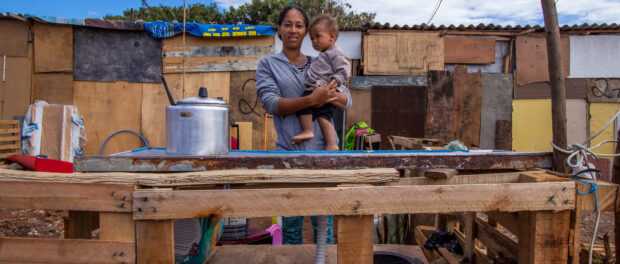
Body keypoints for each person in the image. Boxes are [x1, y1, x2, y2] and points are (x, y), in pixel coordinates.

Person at [255, 5, 352, 244]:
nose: (293, 30)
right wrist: (311, 100)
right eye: (287, 24)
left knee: (324, 230)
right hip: (289, 155)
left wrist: (330, 96)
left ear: (306, 31)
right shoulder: (268, 65)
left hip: (325, 155)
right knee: (291, 229)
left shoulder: (321, 60)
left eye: (299, 25)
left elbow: (346, 100)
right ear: (279, 29)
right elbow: (271, 103)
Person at [291, 14, 351, 151]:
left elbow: (344, 69)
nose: (314, 41)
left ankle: (320, 138)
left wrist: (332, 85)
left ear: (332, 37)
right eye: (312, 38)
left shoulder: (336, 53)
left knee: (317, 112)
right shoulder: (323, 54)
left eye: (318, 36)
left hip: (327, 89)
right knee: (320, 114)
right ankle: (318, 137)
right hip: (319, 88)